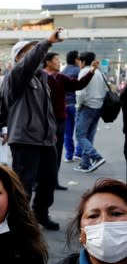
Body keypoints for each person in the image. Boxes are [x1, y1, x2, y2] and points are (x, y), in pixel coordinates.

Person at [2, 29, 64, 230]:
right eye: (27, 52)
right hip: (24, 139)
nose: (34, 56)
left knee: (49, 181)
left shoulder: (42, 79)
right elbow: (28, 63)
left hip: (45, 139)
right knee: (23, 184)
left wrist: (51, 130)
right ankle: (18, 221)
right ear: (19, 58)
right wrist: (46, 42)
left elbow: (47, 110)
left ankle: (40, 214)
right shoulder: (17, 76)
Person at [43, 50, 96, 185]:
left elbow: (78, 85)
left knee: (58, 150)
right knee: (45, 152)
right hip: (45, 121)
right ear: (48, 62)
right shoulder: (40, 78)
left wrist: (91, 72)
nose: (58, 62)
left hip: (61, 118)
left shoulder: (61, 77)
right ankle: (41, 182)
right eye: (56, 59)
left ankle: (54, 181)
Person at [74, 51, 108, 173]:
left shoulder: (84, 72)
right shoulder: (99, 72)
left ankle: (96, 157)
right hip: (98, 107)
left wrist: (79, 105)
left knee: (80, 135)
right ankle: (85, 163)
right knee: (89, 136)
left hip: (87, 107)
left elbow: (80, 92)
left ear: (82, 61)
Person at [61, 51, 84, 162]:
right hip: (76, 104)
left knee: (67, 132)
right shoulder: (79, 71)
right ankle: (78, 153)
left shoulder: (63, 71)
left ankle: (68, 155)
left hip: (65, 104)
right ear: (76, 59)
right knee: (80, 131)